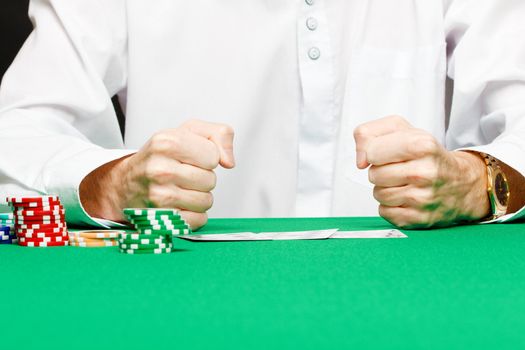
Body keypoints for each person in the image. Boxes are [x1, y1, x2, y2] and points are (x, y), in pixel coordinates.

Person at [0, 0, 524, 230]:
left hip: (420, 312)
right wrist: (109, 185)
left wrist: (479, 182)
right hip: (171, 311)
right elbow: (15, 138)